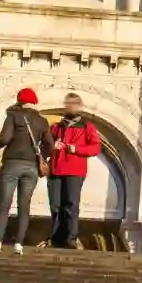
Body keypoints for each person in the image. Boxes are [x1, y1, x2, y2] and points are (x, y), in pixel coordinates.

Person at [0, 88, 53, 255]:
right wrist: (42, 157)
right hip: (31, 167)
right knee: (24, 205)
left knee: (4, 203)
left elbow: (4, 138)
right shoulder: (42, 121)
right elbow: (49, 144)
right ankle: (19, 244)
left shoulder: (13, 116)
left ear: (20, 100)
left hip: (12, 163)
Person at [47, 93, 105, 249]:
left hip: (74, 170)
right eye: (68, 103)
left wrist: (76, 149)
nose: (70, 106)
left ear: (79, 107)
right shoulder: (55, 127)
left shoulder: (87, 127)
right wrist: (53, 146)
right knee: (55, 205)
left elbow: (96, 148)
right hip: (55, 169)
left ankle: (70, 239)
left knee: (71, 205)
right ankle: (56, 239)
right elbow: (44, 145)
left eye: (73, 103)